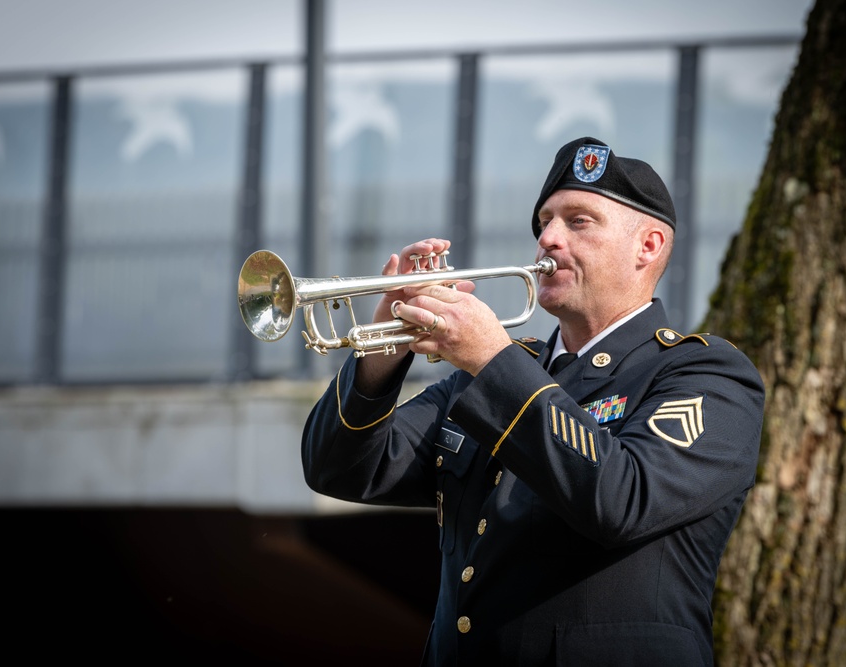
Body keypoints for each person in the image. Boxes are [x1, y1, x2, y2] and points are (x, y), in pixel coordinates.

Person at [301, 136, 765, 666]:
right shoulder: (496, 374)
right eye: (544, 221)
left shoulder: (705, 374)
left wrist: (493, 361)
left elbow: (622, 500)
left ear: (649, 246)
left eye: (578, 221)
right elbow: (339, 471)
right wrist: (384, 349)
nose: (548, 238)